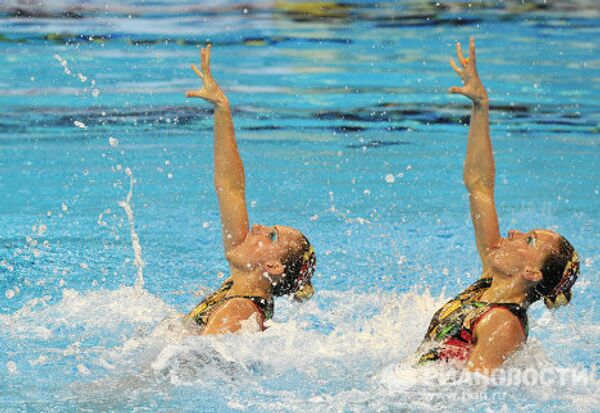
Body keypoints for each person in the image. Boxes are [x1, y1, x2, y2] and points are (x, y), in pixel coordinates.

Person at [416, 38, 580, 373]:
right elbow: (480, 186)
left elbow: (469, 395)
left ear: (530, 273)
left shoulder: (504, 325)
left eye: (530, 240)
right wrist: (480, 105)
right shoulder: (491, 281)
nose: (516, 232)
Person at [184, 45, 316, 335]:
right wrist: (222, 108)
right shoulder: (240, 286)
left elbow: (194, 366)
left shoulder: (240, 311)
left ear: (272, 265)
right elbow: (230, 187)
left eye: (270, 235)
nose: (256, 226)